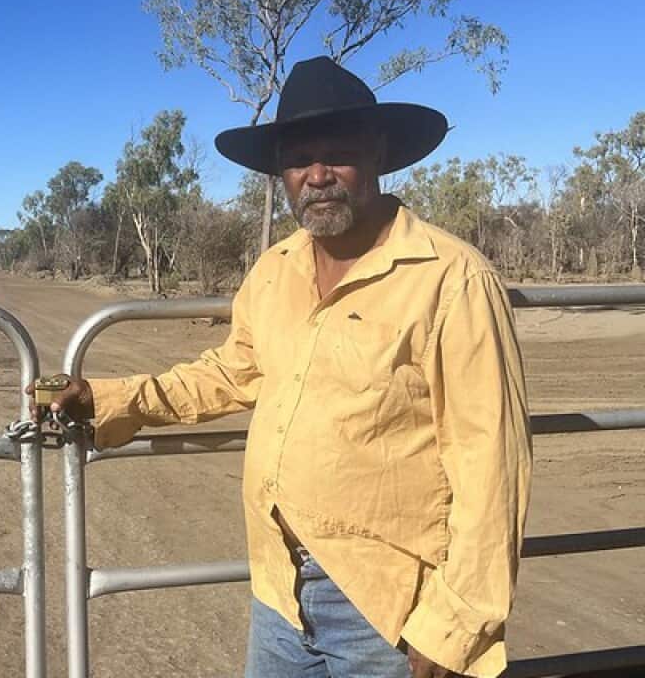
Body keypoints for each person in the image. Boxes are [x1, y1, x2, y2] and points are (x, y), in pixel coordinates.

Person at [32, 57, 532, 678]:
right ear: (282, 174)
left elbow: (492, 460)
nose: (317, 176)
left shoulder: (451, 278)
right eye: (299, 160)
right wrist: (109, 400)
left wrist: (455, 627)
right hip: (277, 587)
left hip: (387, 605)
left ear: (376, 152)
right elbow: (234, 369)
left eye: (337, 154)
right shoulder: (277, 269)